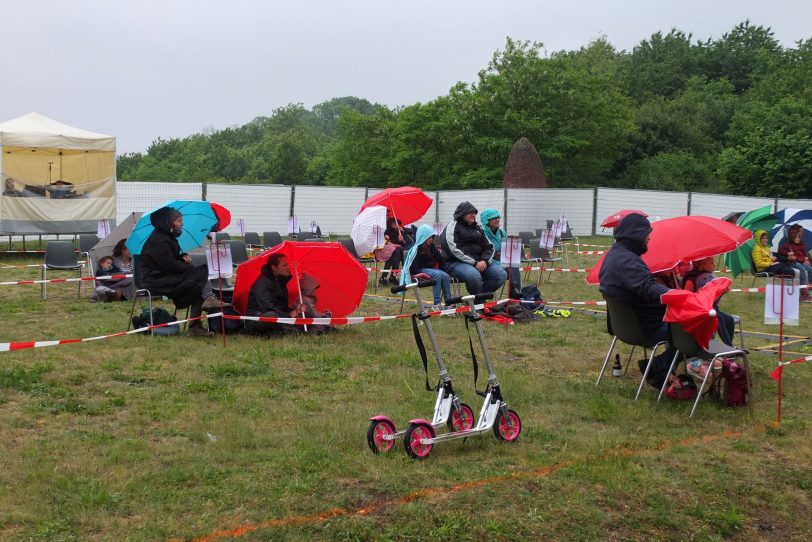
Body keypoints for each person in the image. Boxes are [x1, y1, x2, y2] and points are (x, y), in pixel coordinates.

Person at [598, 213, 676, 388]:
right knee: (694, 330)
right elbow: (648, 287)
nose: (649, 238)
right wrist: (676, 294)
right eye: (646, 233)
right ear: (636, 235)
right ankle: (657, 367)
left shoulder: (614, 256)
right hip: (647, 329)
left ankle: (663, 369)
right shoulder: (628, 262)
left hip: (626, 328)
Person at [140, 206, 220, 337]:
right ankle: (208, 300)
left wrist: (183, 257)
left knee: (198, 282)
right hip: (155, 281)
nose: (182, 223)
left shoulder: (167, 237)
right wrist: (189, 267)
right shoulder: (158, 240)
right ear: (169, 222)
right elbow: (169, 265)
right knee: (199, 275)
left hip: (166, 276)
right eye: (179, 220)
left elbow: (172, 259)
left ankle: (197, 323)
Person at [441, 202, 507, 295]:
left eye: (475, 213)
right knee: (474, 276)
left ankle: (476, 300)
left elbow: (490, 247)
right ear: (462, 214)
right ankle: (478, 303)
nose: (474, 215)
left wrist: (484, 261)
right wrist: (475, 263)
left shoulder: (477, 227)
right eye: (470, 212)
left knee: (500, 275)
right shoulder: (452, 227)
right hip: (455, 263)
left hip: (479, 262)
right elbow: (453, 249)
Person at [244, 254, 309, 335]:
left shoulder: (280, 282)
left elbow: (282, 308)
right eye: (284, 265)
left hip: (276, 316)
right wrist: (289, 315)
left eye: (288, 264)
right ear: (274, 268)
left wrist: (296, 310)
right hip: (256, 321)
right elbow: (267, 308)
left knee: (305, 311)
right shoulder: (262, 284)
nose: (288, 267)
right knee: (270, 316)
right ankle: (297, 332)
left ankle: (314, 327)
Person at [681, 257, 736, 345]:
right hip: (698, 311)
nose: (714, 265)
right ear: (702, 264)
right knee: (719, 318)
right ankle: (729, 348)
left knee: (729, 320)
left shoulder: (710, 277)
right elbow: (685, 299)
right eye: (711, 263)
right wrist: (697, 293)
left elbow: (713, 301)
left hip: (711, 308)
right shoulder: (691, 279)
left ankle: (729, 347)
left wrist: (721, 293)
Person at [400, 224, 452, 310]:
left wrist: (442, 270)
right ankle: (437, 304)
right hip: (418, 270)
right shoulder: (416, 249)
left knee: (445, 275)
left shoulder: (432, 247)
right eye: (429, 238)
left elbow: (440, 259)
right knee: (437, 275)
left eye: (432, 237)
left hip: (430, 269)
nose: (431, 239)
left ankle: (449, 302)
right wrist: (421, 273)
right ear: (423, 238)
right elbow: (412, 268)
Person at [480, 208, 521, 297]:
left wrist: (512, 247)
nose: (498, 220)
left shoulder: (502, 232)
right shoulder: (481, 232)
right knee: (504, 272)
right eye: (494, 218)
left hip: (500, 261)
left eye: (498, 217)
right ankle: (479, 296)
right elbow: (481, 250)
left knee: (513, 265)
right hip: (487, 261)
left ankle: (516, 295)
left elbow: (506, 250)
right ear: (487, 220)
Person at [779, 225, 812, 302]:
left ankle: (809, 287)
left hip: (800, 260)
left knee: (809, 269)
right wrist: (788, 254)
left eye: (798, 236)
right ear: (792, 237)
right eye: (796, 236)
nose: (799, 237)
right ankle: (804, 294)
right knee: (803, 270)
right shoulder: (785, 244)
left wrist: (806, 258)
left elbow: (804, 253)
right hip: (792, 262)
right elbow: (781, 252)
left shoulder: (800, 244)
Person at [374, 217, 406, 286]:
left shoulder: (398, 232)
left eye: (396, 223)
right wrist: (385, 239)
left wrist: (402, 240)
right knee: (396, 252)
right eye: (394, 223)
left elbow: (402, 245)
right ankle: (393, 277)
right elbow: (380, 242)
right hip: (382, 250)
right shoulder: (385, 230)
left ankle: (386, 277)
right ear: (390, 223)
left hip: (393, 251)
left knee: (397, 252)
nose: (395, 224)